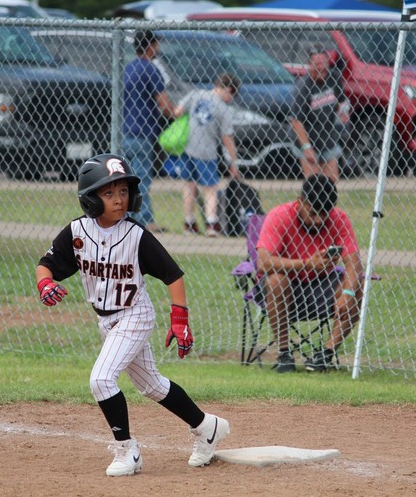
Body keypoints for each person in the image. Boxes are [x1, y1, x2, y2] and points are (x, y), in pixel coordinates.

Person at [35, 153, 230, 476]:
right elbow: (46, 265)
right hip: (107, 320)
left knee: (101, 379)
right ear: (90, 199)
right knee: (152, 385)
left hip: (134, 315)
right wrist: (45, 283)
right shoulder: (77, 232)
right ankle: (207, 426)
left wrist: (179, 320)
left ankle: (127, 451)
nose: (118, 199)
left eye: (123, 191)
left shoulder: (136, 235)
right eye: (108, 193)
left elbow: (173, 275)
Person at [256, 174, 363, 373]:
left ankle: (325, 355)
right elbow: (263, 263)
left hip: (321, 286)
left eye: (324, 215)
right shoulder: (279, 215)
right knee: (276, 280)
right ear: (300, 202)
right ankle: (284, 354)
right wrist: (307, 264)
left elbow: (354, 264)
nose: (319, 220)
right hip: (283, 290)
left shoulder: (339, 219)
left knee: (357, 285)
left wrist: (347, 294)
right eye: (313, 213)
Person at [173, 73, 242, 237]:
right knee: (211, 188)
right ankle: (211, 223)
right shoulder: (223, 109)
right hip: (206, 151)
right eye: (231, 96)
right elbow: (227, 138)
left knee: (189, 185)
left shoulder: (196, 94)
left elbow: (177, 111)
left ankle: (189, 223)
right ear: (229, 90)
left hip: (187, 147)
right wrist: (234, 162)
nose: (230, 100)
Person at [123, 30, 175, 233]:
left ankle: (128, 217)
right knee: (142, 178)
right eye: (156, 44)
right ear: (151, 46)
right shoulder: (151, 69)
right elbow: (163, 102)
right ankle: (145, 220)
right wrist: (175, 115)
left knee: (127, 179)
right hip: (143, 132)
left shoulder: (128, 68)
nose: (158, 48)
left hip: (125, 130)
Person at [290, 45, 351, 184]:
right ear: (309, 65)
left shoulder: (333, 77)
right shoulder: (303, 87)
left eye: (324, 63)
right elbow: (296, 121)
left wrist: (343, 111)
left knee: (331, 182)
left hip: (327, 137)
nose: (321, 67)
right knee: (313, 185)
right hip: (308, 139)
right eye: (317, 64)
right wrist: (307, 148)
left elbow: (341, 100)